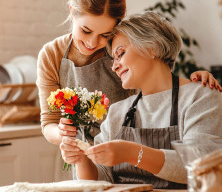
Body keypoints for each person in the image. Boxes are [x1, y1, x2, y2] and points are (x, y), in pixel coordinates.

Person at [60, 11, 222, 189]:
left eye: (120, 53)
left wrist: (131, 153)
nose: (114, 66)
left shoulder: (200, 97)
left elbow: (200, 165)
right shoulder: (117, 112)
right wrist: (82, 160)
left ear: (151, 47)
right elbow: (100, 180)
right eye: (113, 59)